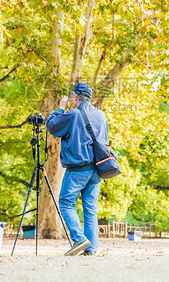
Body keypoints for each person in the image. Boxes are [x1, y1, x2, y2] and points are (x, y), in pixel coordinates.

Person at [46, 83, 108, 257]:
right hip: (97, 169)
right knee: (90, 209)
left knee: (66, 203)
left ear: (74, 97)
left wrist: (60, 108)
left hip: (78, 169)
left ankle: (79, 239)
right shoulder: (101, 115)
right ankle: (91, 249)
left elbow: (52, 126)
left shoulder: (72, 115)